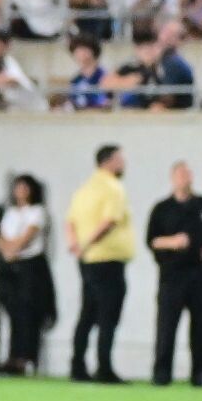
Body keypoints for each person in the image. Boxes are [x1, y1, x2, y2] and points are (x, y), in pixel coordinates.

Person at [66, 144, 135, 384]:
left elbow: (70, 222)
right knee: (108, 315)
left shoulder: (84, 189)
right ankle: (104, 367)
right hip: (108, 260)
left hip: (87, 261)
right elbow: (109, 221)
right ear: (108, 162)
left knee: (87, 313)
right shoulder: (113, 188)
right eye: (119, 159)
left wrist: (76, 246)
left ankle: (77, 365)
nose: (123, 163)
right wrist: (87, 243)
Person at [145, 161, 202, 386]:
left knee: (201, 326)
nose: (184, 177)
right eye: (180, 174)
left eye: (187, 174)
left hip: (199, 275)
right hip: (172, 276)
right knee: (166, 326)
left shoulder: (200, 205)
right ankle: (162, 373)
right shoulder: (162, 209)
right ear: (173, 178)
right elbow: (152, 240)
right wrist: (174, 241)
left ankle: (199, 373)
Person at [0, 174, 56, 375]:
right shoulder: (9, 212)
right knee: (14, 313)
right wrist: (7, 252)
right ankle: (14, 357)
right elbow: (0, 236)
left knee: (29, 314)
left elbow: (28, 236)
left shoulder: (37, 212)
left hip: (30, 266)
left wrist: (13, 250)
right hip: (10, 268)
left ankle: (28, 357)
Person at [68, 34, 110, 110]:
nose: (80, 53)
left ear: (93, 50)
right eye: (77, 50)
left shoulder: (105, 76)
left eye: (84, 49)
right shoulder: (75, 80)